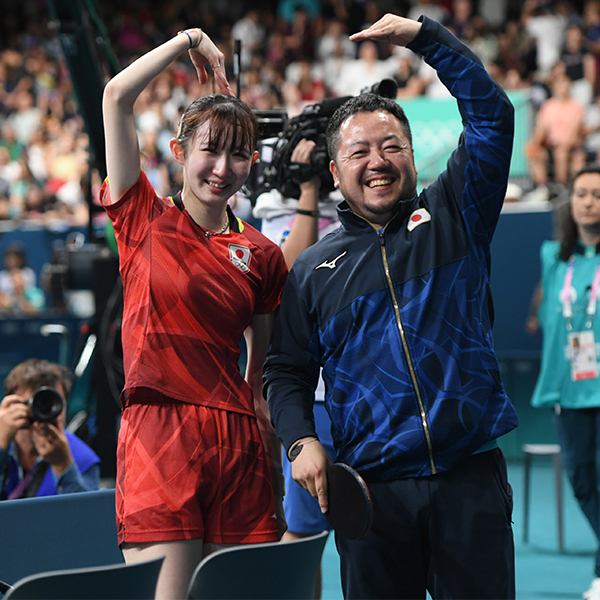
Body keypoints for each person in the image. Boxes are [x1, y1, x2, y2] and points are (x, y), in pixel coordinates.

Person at [264, 12, 519, 600]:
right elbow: (286, 371)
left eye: (391, 146)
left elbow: (491, 115)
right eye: (358, 152)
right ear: (334, 172)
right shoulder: (311, 271)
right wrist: (301, 441)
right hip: (373, 496)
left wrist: (429, 41)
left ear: (411, 154)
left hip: (469, 480)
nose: (376, 161)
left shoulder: (458, 212)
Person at [101, 25, 288, 600]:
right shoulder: (141, 218)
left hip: (236, 440)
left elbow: (265, 354)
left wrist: (260, 412)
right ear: (180, 151)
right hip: (159, 434)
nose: (222, 167)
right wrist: (187, 41)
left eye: (238, 154)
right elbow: (115, 96)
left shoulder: (262, 254)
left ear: (251, 163)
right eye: (210, 148)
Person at [256, 137, 338, 599]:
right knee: (305, 531)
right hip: (313, 402)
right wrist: (308, 191)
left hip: (360, 399)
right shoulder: (269, 211)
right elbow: (288, 272)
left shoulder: (363, 206)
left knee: (371, 531)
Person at [528, 164, 600, 600]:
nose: (589, 201)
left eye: (597, 194)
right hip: (568, 389)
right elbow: (546, 299)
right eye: (581, 194)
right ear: (570, 204)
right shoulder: (553, 255)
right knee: (581, 479)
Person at [0, 358, 100, 500]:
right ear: (10, 405)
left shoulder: (84, 459)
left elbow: (87, 518)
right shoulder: (2, 440)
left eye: (51, 403)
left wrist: (64, 466)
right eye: (32, 403)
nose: (41, 412)